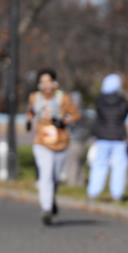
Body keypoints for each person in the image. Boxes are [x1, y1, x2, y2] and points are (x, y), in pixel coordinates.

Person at [26, 68, 81, 225]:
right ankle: (46, 209)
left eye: (48, 81)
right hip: (41, 142)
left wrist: (64, 122)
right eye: (42, 82)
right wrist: (29, 121)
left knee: (55, 178)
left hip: (60, 142)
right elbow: (30, 111)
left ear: (54, 82)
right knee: (46, 175)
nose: (46, 85)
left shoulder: (63, 98)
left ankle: (51, 199)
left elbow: (77, 115)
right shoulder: (34, 97)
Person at [86, 73, 128, 203]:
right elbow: (125, 113)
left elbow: (98, 114)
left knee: (99, 164)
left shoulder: (100, 100)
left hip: (102, 137)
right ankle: (117, 194)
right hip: (118, 136)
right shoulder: (122, 100)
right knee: (119, 166)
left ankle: (93, 192)